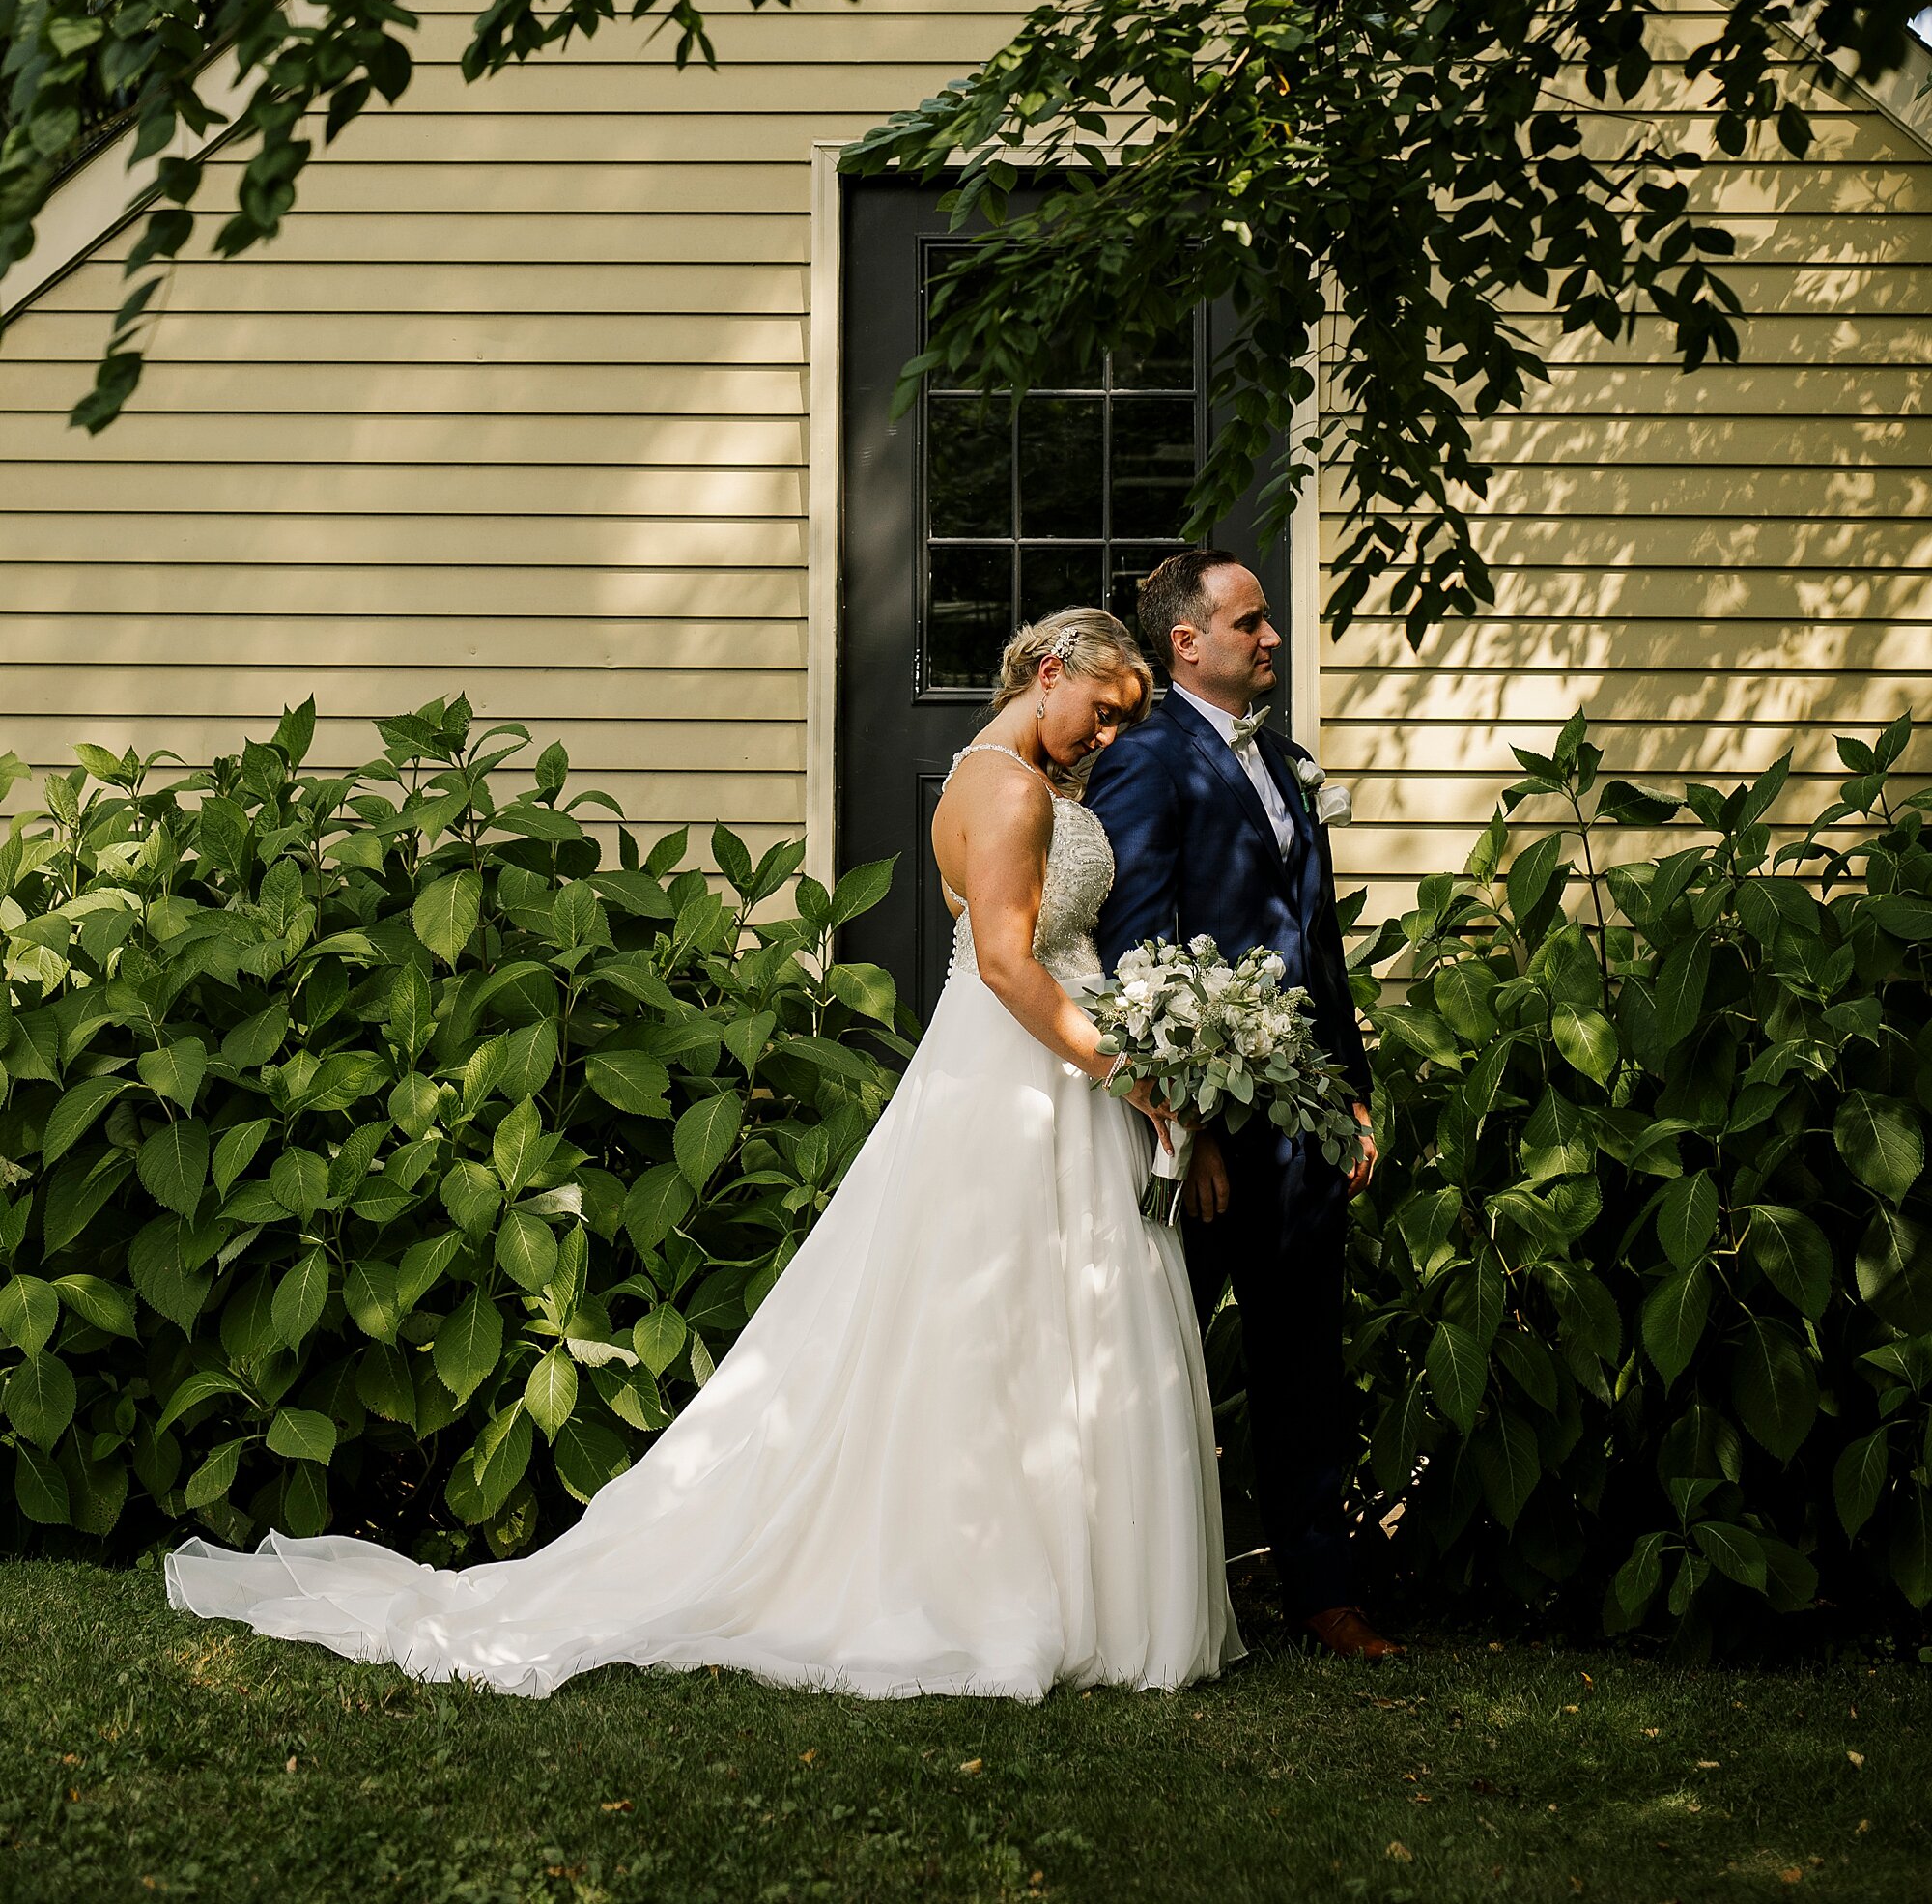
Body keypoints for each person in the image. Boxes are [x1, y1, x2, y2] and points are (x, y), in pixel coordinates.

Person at [166, 608, 1242, 1700]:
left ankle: (1050, 1576)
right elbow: (1012, 966)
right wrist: (1127, 1070)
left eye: (1119, 727)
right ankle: (1000, 1580)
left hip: (1032, 1065)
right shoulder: (1010, 792)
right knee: (997, 1319)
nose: (1106, 739)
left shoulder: (1012, 781)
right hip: (1023, 1069)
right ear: (1052, 672)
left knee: (1019, 1317)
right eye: (1101, 714)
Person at [1084, 549, 1400, 1661]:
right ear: (1187, 643)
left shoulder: (1288, 760)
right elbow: (1140, 950)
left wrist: (1349, 1097)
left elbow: (1320, 947)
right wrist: (1190, 1126)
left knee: (1306, 1360)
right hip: (1209, 1131)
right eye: (1249, 622)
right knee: (1158, 1358)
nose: (1270, 638)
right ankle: (1133, 1596)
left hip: (1304, 1116)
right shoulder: (1145, 764)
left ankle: (1324, 1594)